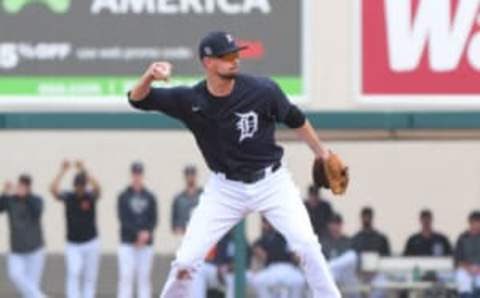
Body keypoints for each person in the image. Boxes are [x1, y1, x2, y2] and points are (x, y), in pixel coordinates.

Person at [128, 31, 341, 298]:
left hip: (272, 182)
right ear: (208, 62)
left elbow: (295, 117)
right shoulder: (190, 100)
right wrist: (149, 76)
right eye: (226, 56)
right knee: (185, 262)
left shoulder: (262, 90)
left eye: (236, 53)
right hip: (225, 189)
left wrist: (321, 152)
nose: (234, 60)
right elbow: (137, 99)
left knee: (308, 246)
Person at [50, 160, 101, 298]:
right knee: (74, 271)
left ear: (85, 185)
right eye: (78, 186)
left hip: (91, 242)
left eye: (82, 186)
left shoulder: (90, 196)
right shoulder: (69, 197)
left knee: (89, 277)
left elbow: (98, 188)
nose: (80, 188)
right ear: (74, 186)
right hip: (73, 244)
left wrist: (84, 169)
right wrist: (63, 171)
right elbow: (53, 190)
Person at [0, 175, 47, 298]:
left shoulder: (36, 200)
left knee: (31, 285)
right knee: (14, 274)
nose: (20, 188)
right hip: (17, 249)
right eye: (20, 184)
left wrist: (26, 196)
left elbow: (37, 211)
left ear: (29, 187)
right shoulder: (10, 200)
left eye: (24, 185)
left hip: (35, 249)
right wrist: (4, 192)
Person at [117, 162, 158, 298]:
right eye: (135, 173)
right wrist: (136, 235)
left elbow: (153, 220)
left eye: (139, 173)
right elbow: (123, 219)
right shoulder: (123, 196)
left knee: (144, 278)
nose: (137, 176)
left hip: (146, 244)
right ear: (131, 175)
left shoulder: (150, 197)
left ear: (142, 175)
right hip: (128, 243)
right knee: (126, 277)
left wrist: (146, 234)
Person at [251, 218, 305, 298]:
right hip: (272, 268)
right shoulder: (266, 237)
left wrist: (296, 255)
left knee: (299, 280)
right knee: (257, 281)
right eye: (265, 222)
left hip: (288, 268)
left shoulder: (289, 235)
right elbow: (256, 248)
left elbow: (297, 257)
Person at [192, 227, 250, 298]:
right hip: (219, 272)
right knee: (199, 269)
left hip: (234, 274)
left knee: (232, 280)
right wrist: (219, 266)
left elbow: (245, 263)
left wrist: (228, 267)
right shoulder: (222, 237)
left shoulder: (242, 240)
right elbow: (215, 258)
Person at [320, 214, 361, 298]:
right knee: (327, 276)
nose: (335, 227)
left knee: (352, 255)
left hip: (346, 275)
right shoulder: (324, 242)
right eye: (333, 224)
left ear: (341, 225)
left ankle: (330, 266)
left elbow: (355, 261)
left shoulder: (348, 241)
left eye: (337, 224)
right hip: (332, 275)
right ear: (329, 225)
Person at [454, 211, 480, 298]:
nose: (477, 226)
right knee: (462, 277)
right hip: (466, 268)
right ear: (470, 223)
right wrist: (468, 268)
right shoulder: (462, 238)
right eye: (475, 223)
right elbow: (457, 260)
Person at [171, 165, 201, 235]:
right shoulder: (178, 199)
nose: (190, 177)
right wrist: (177, 229)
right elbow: (174, 222)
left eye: (192, 174)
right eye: (188, 174)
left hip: (201, 235)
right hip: (184, 236)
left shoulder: (203, 196)